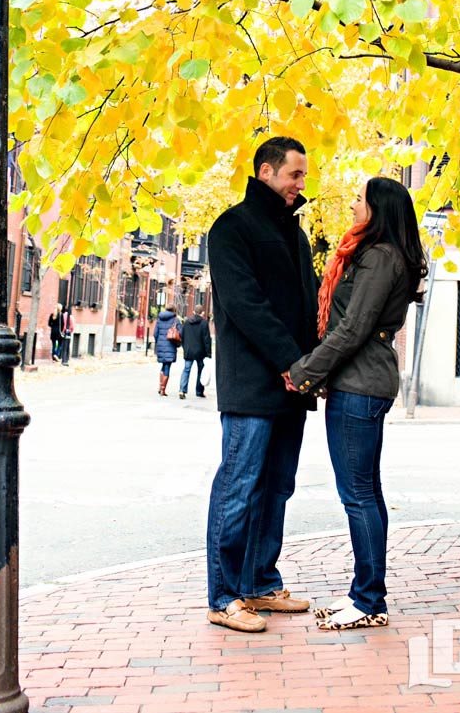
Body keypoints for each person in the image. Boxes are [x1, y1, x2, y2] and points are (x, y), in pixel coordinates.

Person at [285, 176, 427, 631]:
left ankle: (368, 600)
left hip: (360, 387)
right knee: (367, 493)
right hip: (361, 384)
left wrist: (305, 372)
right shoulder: (378, 254)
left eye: (360, 200)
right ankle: (367, 595)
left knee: (359, 496)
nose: (352, 204)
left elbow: (352, 329)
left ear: (379, 210)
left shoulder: (381, 258)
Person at [205, 136, 319, 633]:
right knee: (240, 486)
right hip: (252, 385)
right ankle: (224, 596)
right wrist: (292, 363)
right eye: (295, 175)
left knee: (277, 488)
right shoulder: (231, 228)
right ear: (267, 171)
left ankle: (259, 583)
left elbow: (309, 304)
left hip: (293, 385)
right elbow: (246, 304)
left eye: (303, 177)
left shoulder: (294, 234)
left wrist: (312, 367)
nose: (300, 185)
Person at [178, 312, 212, 399]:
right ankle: (199, 391)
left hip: (189, 350)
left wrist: (185, 347)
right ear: (202, 313)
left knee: (186, 370)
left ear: (194, 312)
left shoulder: (187, 322)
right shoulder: (204, 323)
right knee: (201, 371)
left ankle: (182, 390)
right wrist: (208, 353)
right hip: (200, 352)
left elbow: (182, 335)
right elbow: (207, 339)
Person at [154, 307, 182, 396]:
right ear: (174, 310)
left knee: (163, 364)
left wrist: (158, 342)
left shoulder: (159, 319)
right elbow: (181, 333)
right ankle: (162, 389)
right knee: (167, 366)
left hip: (160, 345)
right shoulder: (176, 320)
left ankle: (160, 386)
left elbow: (155, 333)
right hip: (170, 345)